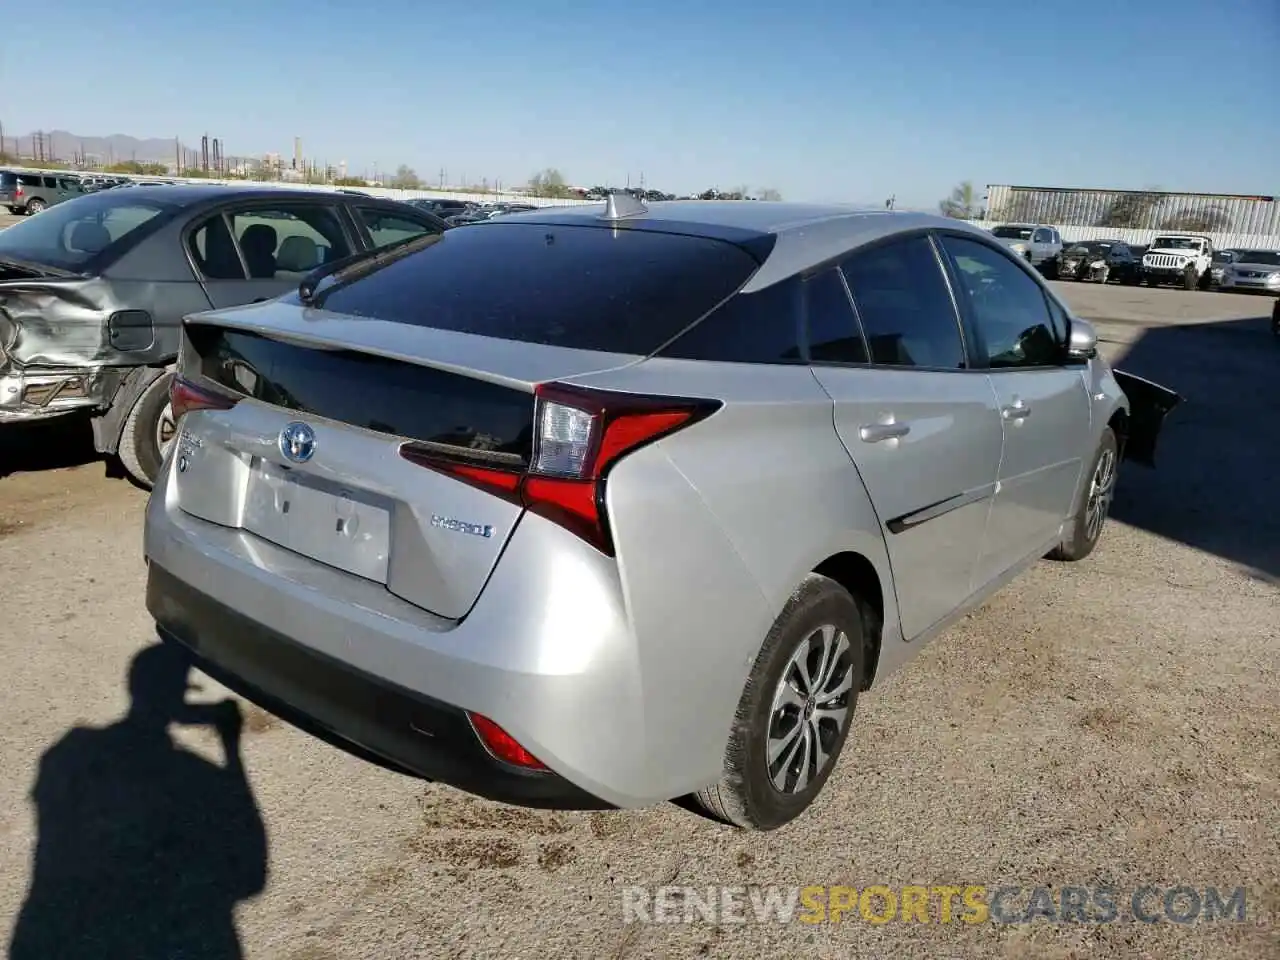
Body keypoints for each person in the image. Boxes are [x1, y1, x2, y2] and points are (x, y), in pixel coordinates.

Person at [9, 642, 268, 960]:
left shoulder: (69, 753)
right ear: (179, 700)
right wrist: (231, 746)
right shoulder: (191, 775)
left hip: (50, 935)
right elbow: (251, 876)